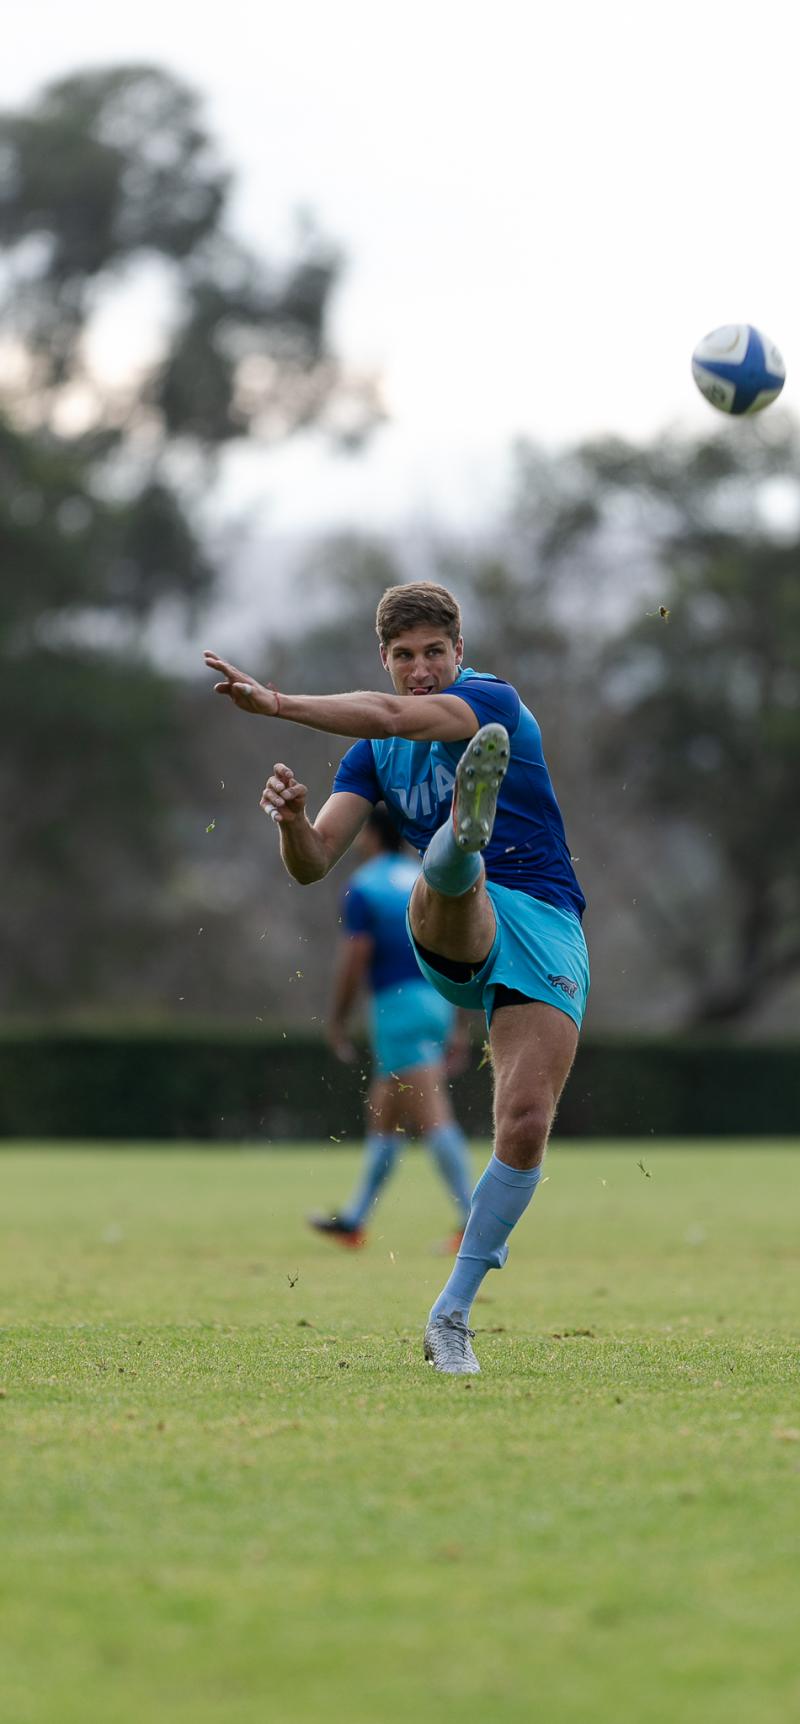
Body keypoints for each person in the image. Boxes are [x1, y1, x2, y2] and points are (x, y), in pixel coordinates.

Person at [204, 579, 589, 1375]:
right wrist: (289, 823)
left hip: (547, 921)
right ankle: (460, 840)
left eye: (434, 654)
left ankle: (451, 1315)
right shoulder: (370, 759)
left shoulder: (489, 700)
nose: (420, 670)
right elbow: (314, 865)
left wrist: (275, 702)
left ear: (459, 652)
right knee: (454, 876)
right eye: (405, 657)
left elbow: (390, 714)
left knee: (522, 1123)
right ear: (384, 658)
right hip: (455, 923)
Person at [311, 803, 474, 1251]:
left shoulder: (364, 886)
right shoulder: (424, 876)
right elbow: (453, 946)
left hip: (396, 1007)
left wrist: (338, 1019)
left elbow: (355, 957)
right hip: (436, 998)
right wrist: (459, 1021)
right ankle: (355, 1219)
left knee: (432, 1115)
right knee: (384, 1114)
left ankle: (475, 1222)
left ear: (369, 836)